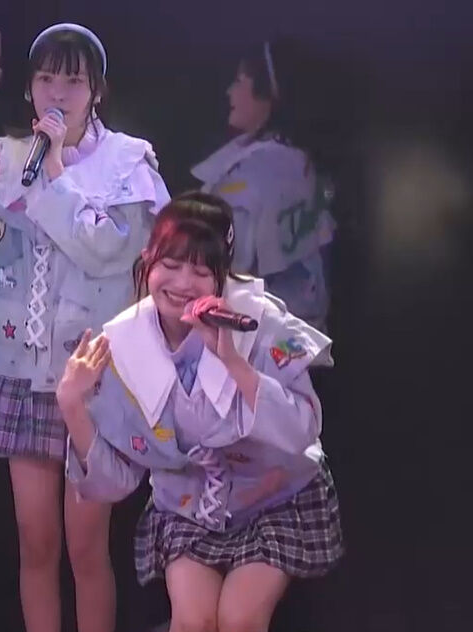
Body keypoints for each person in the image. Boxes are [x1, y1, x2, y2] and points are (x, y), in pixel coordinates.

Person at [0, 23, 169, 632]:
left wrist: (56, 170)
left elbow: (108, 250)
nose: (59, 92)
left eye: (74, 81)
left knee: (87, 549)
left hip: (91, 376)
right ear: (29, 88)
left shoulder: (127, 162)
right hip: (23, 374)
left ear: (97, 91)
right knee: (36, 544)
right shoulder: (8, 158)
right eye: (47, 78)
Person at [57, 192, 344, 632]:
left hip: (274, 498)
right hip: (188, 506)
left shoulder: (259, 321)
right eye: (170, 265)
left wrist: (234, 361)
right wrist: (72, 405)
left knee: (239, 619)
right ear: (147, 262)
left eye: (200, 270)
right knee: (193, 621)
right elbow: (115, 483)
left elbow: (303, 429)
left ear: (221, 274)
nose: (182, 283)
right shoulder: (121, 344)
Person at [191, 39, 336, 332]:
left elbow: (229, 263)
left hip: (256, 332)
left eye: (239, 81)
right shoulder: (302, 162)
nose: (229, 91)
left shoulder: (257, 171)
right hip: (303, 329)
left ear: (267, 92)